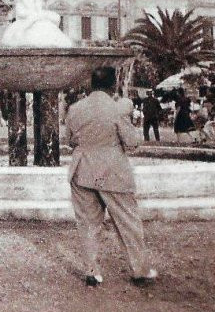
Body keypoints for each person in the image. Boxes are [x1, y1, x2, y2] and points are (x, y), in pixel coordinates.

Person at [64, 66, 157, 287]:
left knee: (87, 223)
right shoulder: (116, 109)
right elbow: (133, 142)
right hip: (113, 171)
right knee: (127, 222)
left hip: (81, 169)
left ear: (91, 85)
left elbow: (69, 141)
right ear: (113, 85)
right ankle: (140, 270)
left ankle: (92, 272)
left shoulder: (75, 109)